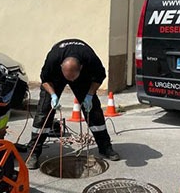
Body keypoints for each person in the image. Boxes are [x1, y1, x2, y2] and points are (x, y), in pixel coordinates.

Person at [25, 39, 120, 169]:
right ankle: (33, 153)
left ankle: (105, 148)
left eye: (72, 78)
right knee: (44, 112)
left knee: (94, 113)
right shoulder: (53, 59)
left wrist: (89, 95)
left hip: (82, 79)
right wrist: (53, 95)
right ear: (60, 67)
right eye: (68, 78)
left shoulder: (89, 58)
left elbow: (100, 76)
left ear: (81, 67)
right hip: (55, 80)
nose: (70, 82)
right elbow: (45, 80)